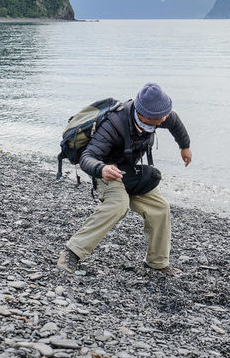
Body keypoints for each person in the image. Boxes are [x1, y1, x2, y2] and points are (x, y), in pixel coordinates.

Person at [58, 83, 192, 275]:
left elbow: (175, 122)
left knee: (160, 208)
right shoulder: (114, 124)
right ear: (143, 113)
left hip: (129, 171)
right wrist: (102, 168)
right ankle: (72, 252)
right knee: (119, 204)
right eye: (159, 117)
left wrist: (184, 146)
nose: (164, 118)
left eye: (164, 114)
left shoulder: (158, 115)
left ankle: (157, 262)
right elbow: (87, 157)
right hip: (106, 171)